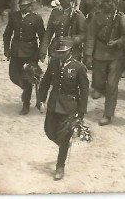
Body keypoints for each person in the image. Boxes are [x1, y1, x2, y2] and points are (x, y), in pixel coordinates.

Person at [36, 37, 88, 181]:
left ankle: (60, 166)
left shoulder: (78, 67)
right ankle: (64, 144)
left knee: (64, 137)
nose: (60, 54)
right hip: (54, 103)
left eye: (63, 51)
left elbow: (84, 90)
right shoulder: (53, 63)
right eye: (58, 51)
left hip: (70, 107)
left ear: (70, 51)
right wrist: (40, 100)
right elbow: (45, 82)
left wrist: (81, 112)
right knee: (49, 131)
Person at [84, 0, 125, 126]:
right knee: (97, 83)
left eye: (109, 1)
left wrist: (118, 42)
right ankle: (110, 97)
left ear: (114, 2)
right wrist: (88, 54)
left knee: (111, 85)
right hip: (99, 52)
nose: (107, 4)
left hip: (115, 55)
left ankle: (108, 113)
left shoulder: (120, 17)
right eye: (104, 1)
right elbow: (91, 35)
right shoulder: (96, 15)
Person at [3, 0, 45, 115]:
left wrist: (41, 53)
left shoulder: (36, 18)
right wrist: (6, 49)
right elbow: (7, 34)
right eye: (21, 6)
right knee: (13, 75)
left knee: (29, 76)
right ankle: (27, 87)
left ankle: (26, 104)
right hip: (16, 50)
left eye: (25, 6)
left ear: (30, 6)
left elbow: (43, 37)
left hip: (31, 52)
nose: (22, 8)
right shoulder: (14, 16)